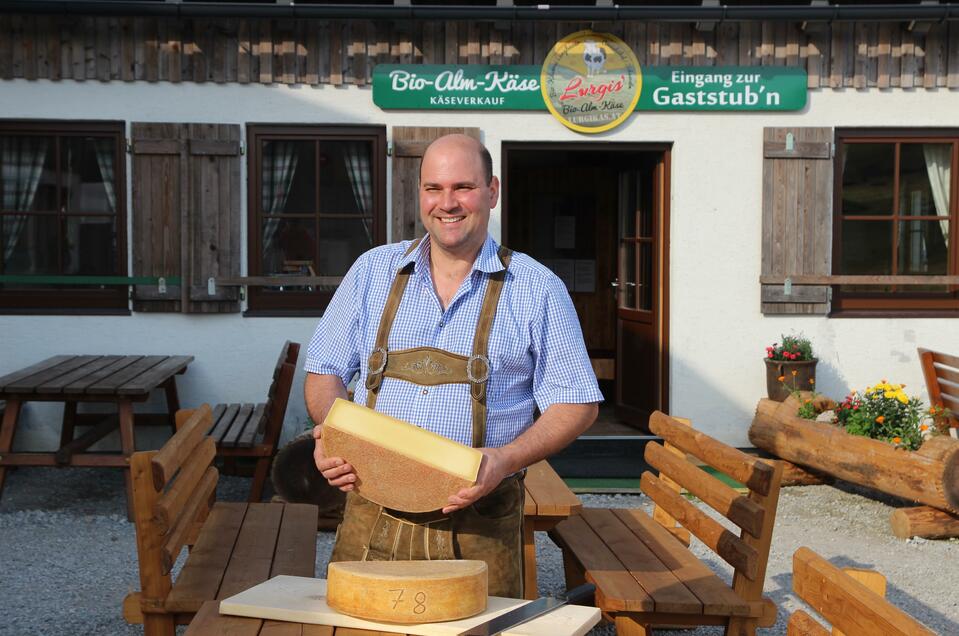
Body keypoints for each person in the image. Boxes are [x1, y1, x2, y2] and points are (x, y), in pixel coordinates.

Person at [304, 133, 602, 598]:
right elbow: (324, 372)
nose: (447, 203)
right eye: (433, 188)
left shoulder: (537, 288)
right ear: (420, 193)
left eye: (463, 187)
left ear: (492, 191)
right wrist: (331, 435)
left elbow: (576, 404)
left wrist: (504, 460)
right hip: (371, 513)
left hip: (479, 525)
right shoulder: (371, 271)